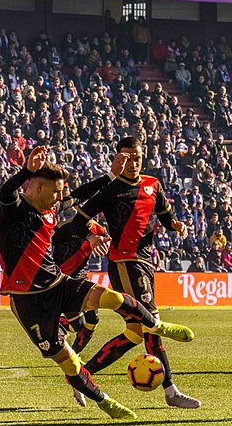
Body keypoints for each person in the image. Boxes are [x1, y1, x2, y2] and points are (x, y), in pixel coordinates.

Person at [0, 146, 194, 420]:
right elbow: (6, 193)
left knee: (110, 297)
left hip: (58, 284)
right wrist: (25, 172)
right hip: (27, 300)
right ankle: (105, 402)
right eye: (55, 192)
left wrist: (109, 177)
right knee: (69, 363)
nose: (59, 198)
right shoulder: (15, 210)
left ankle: (157, 325)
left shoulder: (52, 212)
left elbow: (76, 201)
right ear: (38, 187)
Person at [73, 136, 201, 409]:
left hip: (144, 262)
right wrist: (91, 236)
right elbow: (79, 218)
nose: (132, 163)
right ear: (118, 158)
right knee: (150, 323)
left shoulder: (153, 184)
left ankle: (82, 376)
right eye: (127, 158)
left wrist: (176, 225)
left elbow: (165, 216)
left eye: (137, 158)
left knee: (135, 332)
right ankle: (171, 391)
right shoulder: (109, 189)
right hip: (125, 262)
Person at [54, 217, 108, 354]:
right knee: (78, 325)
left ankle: (75, 354)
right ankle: (52, 323)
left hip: (82, 278)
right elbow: (45, 247)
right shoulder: (64, 227)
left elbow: (110, 246)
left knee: (93, 320)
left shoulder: (99, 230)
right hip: (63, 280)